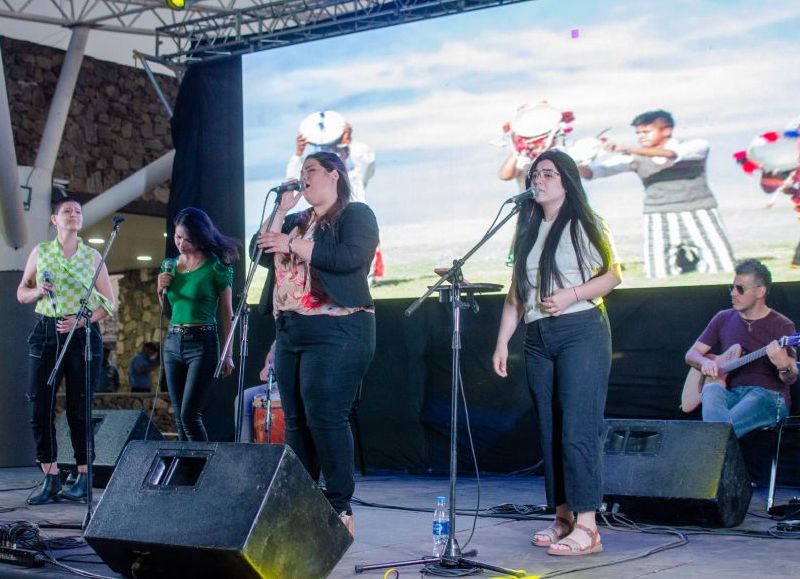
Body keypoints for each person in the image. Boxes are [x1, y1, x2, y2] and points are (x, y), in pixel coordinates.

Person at [492, 150, 622, 556]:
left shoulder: (585, 222)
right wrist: (501, 342)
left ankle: (589, 525)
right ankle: (563, 517)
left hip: (581, 330)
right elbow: (516, 294)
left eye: (549, 173)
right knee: (550, 431)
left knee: (577, 429)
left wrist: (573, 294)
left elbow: (613, 275)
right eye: (535, 173)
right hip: (537, 337)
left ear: (567, 180)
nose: (540, 179)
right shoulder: (527, 227)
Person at [253, 151, 379, 537]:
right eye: (300, 171)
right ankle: (302, 501)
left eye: (310, 171)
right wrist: (280, 212)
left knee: (325, 416)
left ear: (334, 175)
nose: (302, 177)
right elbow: (260, 254)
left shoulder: (355, 214)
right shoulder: (295, 221)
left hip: (339, 326)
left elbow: (349, 258)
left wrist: (292, 245)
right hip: (291, 329)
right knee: (296, 421)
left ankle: (339, 507)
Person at [17, 196, 115, 505]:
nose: (73, 215)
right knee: (39, 404)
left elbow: (109, 303)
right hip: (46, 331)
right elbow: (22, 292)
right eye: (66, 211)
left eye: (77, 211)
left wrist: (83, 318)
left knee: (79, 407)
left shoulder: (92, 256)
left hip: (82, 334)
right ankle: (50, 476)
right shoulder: (41, 252)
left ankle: (84, 477)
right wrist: (37, 291)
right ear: (53, 219)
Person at [579, 109, 735, 278]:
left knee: (722, 267)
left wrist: (625, 148)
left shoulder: (696, 146)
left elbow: (670, 155)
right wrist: (572, 159)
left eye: (646, 132)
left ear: (667, 130)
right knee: (657, 273)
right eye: (638, 133)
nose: (641, 137)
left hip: (699, 211)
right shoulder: (633, 156)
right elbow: (593, 173)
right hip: (657, 216)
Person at [685, 259, 797, 438]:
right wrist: (705, 362)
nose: (733, 293)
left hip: (767, 396)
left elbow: (790, 377)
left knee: (720, 429)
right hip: (732, 395)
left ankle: (709, 444)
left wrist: (784, 366)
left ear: (760, 291)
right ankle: (715, 443)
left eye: (740, 289)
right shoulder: (723, 318)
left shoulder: (782, 325)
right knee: (712, 390)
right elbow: (691, 354)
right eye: (732, 287)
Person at [157, 208, 238, 441]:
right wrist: (159, 290)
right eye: (178, 237)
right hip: (173, 342)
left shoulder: (215, 266)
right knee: (180, 419)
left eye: (188, 239)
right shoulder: (169, 265)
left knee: (190, 415)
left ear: (201, 237)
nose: (181, 243)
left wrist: (228, 354)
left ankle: (200, 471)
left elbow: (226, 313)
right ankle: (186, 471)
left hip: (202, 343)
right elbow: (168, 311)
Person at [288, 111, 383, 284]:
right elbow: (294, 180)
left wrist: (349, 143)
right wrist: (298, 154)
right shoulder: (314, 193)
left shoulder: (354, 174)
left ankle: (367, 280)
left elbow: (367, 162)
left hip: (352, 229)